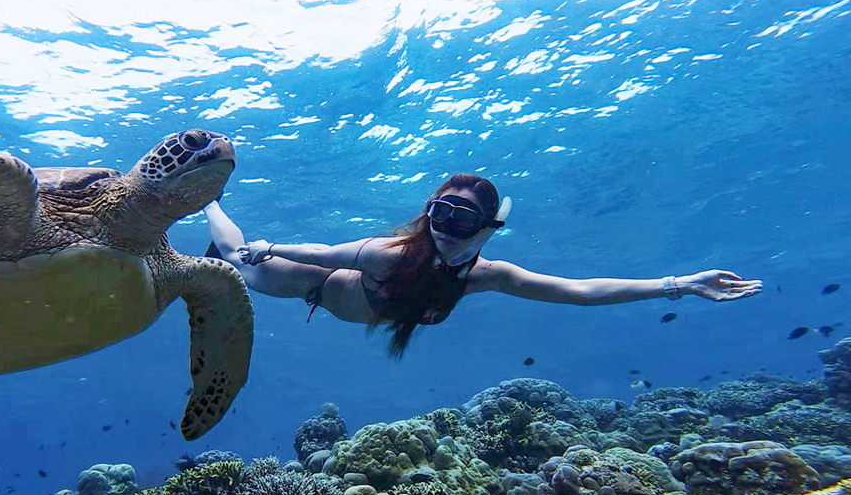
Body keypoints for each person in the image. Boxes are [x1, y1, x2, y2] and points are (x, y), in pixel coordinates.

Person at [203, 173, 762, 357]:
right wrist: (270, 249)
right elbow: (325, 253)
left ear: (487, 228)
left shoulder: (488, 275)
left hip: (350, 298)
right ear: (428, 214)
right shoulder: (387, 252)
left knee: (240, 262)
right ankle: (208, 198)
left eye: (463, 219)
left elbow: (579, 291)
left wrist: (678, 285)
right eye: (440, 213)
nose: (447, 227)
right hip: (317, 285)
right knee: (232, 258)